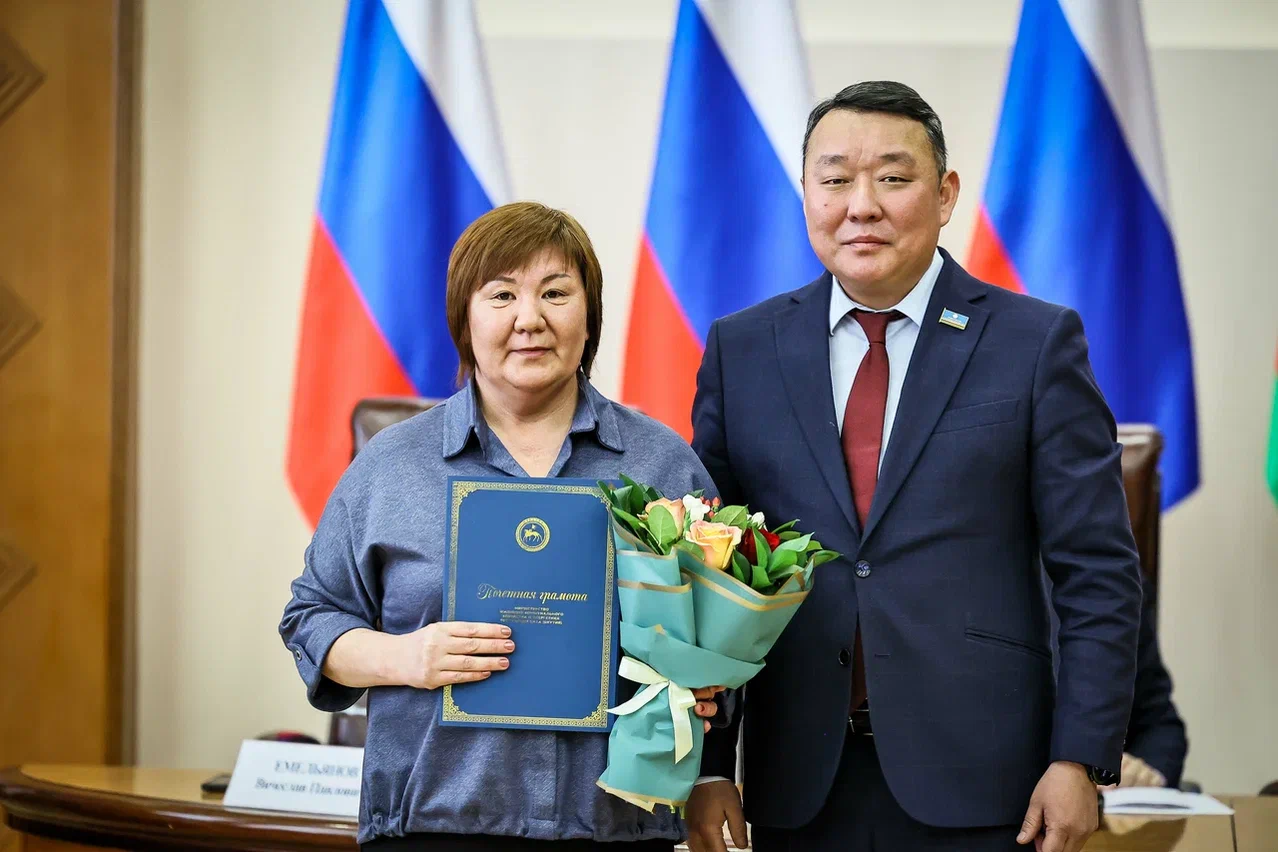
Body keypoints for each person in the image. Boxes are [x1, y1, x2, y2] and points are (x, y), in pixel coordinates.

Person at [684, 81, 1143, 852]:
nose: (861, 205)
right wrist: (708, 767)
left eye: (893, 178)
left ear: (945, 194)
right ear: (807, 195)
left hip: (988, 784)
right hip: (799, 782)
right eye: (835, 180)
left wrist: (1079, 759)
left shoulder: (1033, 344)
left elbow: (1097, 570)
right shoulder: (744, 349)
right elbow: (712, 574)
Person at [280, 201, 721, 851]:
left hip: (614, 827)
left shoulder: (661, 464)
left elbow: (720, 636)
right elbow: (311, 619)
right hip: (433, 826)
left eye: (555, 293)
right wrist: (407, 657)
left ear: (590, 315)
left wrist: (701, 683)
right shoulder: (393, 464)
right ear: (465, 317)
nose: (529, 318)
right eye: (502, 295)